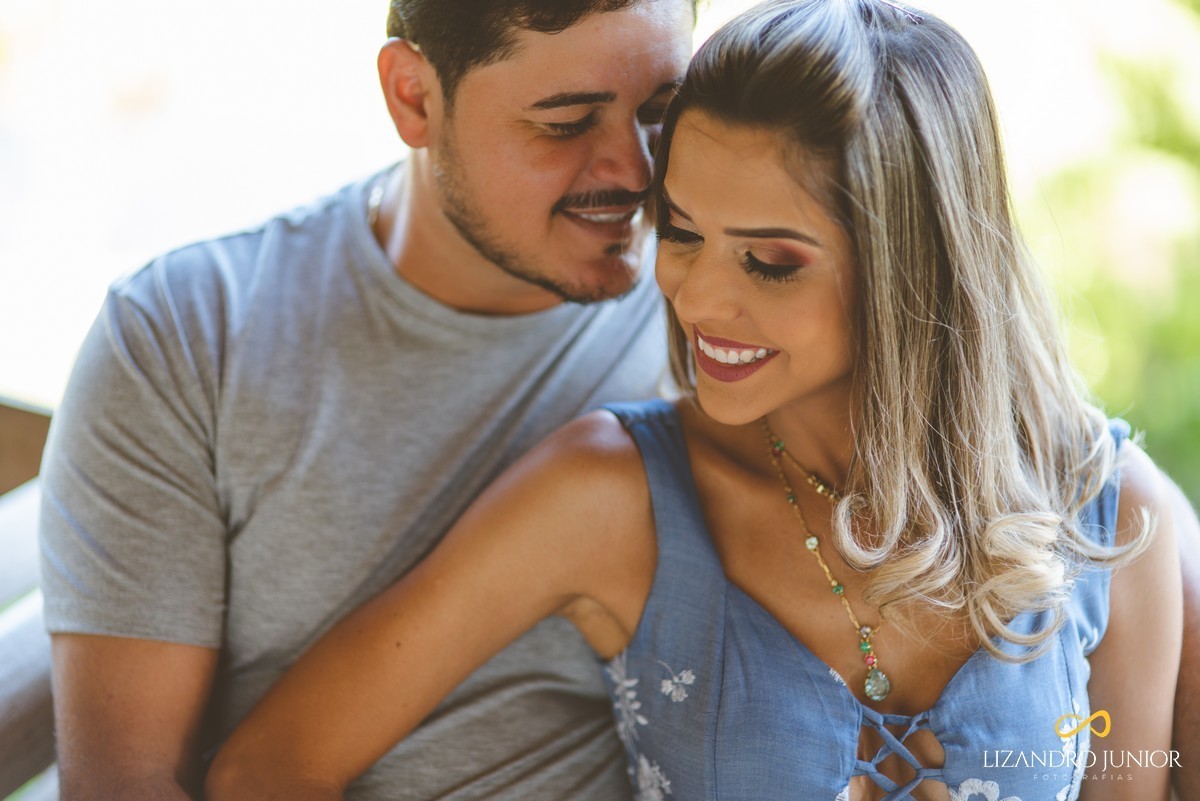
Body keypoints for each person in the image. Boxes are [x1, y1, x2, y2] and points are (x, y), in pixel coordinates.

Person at [203, 1, 1190, 799]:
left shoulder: (1114, 517)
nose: (697, 297)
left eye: (769, 261)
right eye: (679, 231)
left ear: (912, 271)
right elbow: (267, 769)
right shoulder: (610, 495)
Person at [37, 1, 696, 799]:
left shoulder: (726, 307)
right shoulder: (187, 335)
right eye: (563, 123)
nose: (634, 171)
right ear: (413, 95)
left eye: (661, 113)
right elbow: (127, 782)